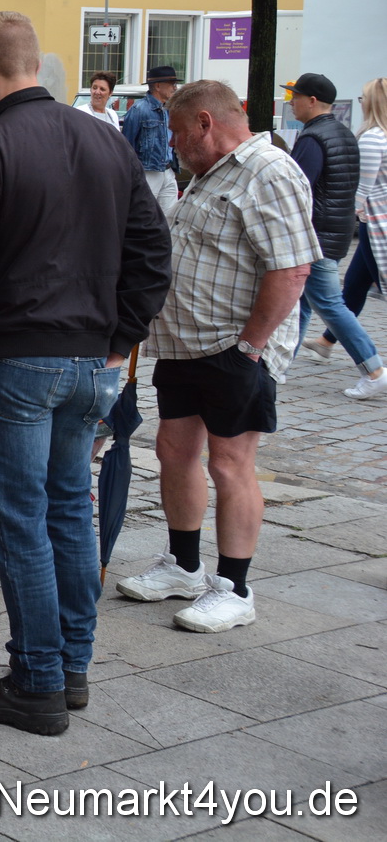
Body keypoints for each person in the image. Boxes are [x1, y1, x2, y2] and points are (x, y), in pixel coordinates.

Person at [0, 11, 171, 736]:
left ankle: (36, 681)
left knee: (21, 523)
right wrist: (120, 335)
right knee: (71, 509)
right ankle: (70, 670)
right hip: (90, 362)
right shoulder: (106, 138)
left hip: (19, 359)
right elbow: (154, 252)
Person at [120, 80, 319, 635]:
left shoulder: (269, 172)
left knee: (230, 463)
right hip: (186, 343)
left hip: (236, 348)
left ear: (206, 122)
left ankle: (234, 588)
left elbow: (291, 269)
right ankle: (183, 565)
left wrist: (251, 346)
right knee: (174, 450)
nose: (175, 147)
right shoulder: (211, 172)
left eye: (180, 135)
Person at [282, 73, 387, 399]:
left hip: (317, 234)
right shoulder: (343, 132)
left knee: (328, 303)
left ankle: (374, 369)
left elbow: (298, 188)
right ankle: (280, 365)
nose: (291, 102)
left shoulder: (314, 138)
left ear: (312, 101)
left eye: (295, 96)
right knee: (301, 300)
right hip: (335, 232)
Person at [310, 77, 387, 361]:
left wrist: (340, 219)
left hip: (374, 222)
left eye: (363, 98)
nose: (362, 103)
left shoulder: (372, 138)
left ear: (374, 103)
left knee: (337, 295)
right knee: (355, 283)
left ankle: (371, 365)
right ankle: (327, 341)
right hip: (375, 220)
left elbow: (360, 191)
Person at [122, 65, 180, 215]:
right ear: (158, 86)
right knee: (145, 214)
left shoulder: (169, 109)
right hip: (148, 172)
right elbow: (127, 146)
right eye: (171, 84)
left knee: (170, 216)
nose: (175, 88)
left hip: (168, 170)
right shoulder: (139, 110)